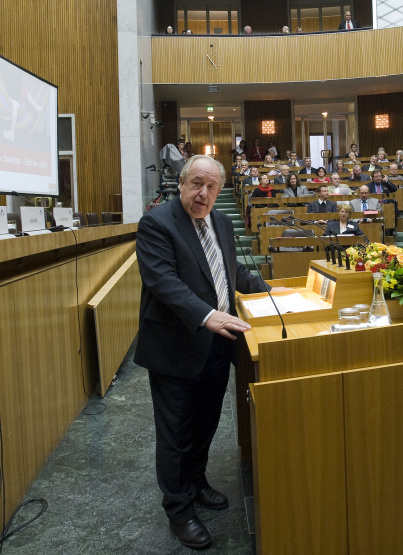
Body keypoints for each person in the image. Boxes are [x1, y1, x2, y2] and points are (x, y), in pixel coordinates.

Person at [135, 155, 269, 549]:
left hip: (217, 345)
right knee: (176, 432)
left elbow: (232, 275)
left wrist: (275, 294)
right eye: (196, 183)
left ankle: (196, 483)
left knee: (206, 421)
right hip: (176, 346)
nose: (203, 194)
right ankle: (178, 509)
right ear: (181, 183)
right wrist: (207, 315)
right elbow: (163, 281)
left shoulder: (223, 222)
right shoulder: (157, 223)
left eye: (211, 187)